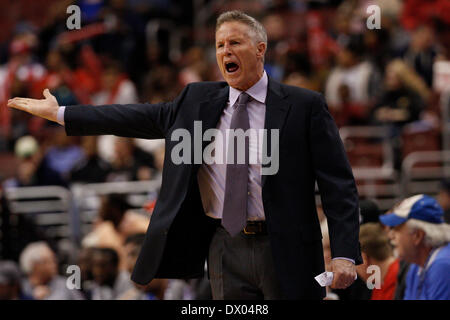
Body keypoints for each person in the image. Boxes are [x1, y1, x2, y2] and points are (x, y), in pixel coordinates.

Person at [8, 11, 362, 299]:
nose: (225, 52)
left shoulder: (303, 106)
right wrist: (63, 114)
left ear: (260, 49)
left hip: (287, 245)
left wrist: (345, 252)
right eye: (220, 45)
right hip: (225, 244)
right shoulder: (197, 100)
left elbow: (338, 184)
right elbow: (138, 117)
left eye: (235, 42)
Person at [379, 194, 450, 300]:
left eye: (396, 229)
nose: (390, 236)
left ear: (418, 235)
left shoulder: (442, 265)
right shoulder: (416, 265)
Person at [19, 242, 83, 300]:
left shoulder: (65, 285)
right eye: (49, 261)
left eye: (54, 260)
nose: (55, 264)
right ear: (35, 266)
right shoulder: (22, 289)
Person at [357, 223, 400, 300]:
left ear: (363, 258)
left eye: (353, 263)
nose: (354, 270)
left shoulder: (398, 280)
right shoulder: (379, 280)